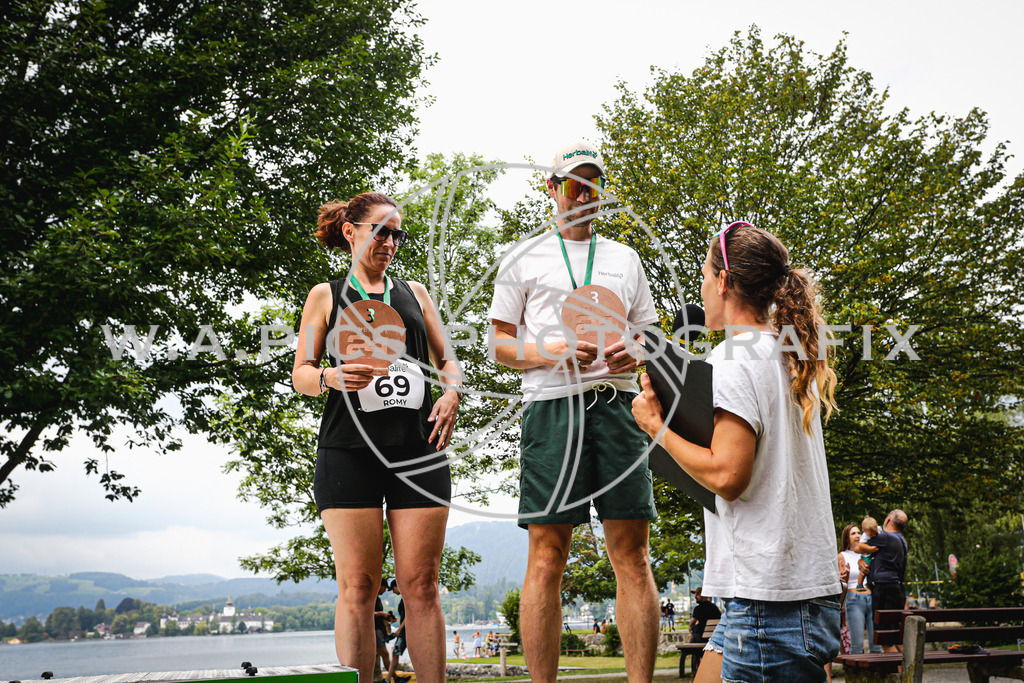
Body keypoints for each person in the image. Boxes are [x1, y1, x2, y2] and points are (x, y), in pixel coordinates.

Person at [631, 221, 842, 682]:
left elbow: (729, 476)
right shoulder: (791, 356)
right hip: (791, 593)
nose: (702, 289)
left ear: (723, 281)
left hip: (768, 603)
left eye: (705, 277)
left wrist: (656, 427)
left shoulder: (732, 359)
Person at [488, 140, 661, 683]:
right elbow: (499, 345)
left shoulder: (625, 258)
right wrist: (549, 351)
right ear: (552, 188)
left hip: (618, 407)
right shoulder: (523, 256)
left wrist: (637, 351)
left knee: (632, 554)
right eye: (573, 184)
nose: (585, 194)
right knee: (547, 555)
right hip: (552, 409)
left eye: (594, 184)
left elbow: (651, 335)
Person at [293, 193, 463, 683]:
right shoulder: (325, 295)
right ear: (351, 232)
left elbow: (448, 360)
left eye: (397, 234)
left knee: (421, 585)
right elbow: (301, 373)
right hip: (349, 451)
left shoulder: (415, 292)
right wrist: (329, 377)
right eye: (380, 231)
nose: (390, 242)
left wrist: (451, 392)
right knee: (358, 587)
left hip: (418, 449)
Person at [852, 510, 909, 653]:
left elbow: (858, 547)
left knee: (885, 639)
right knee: (896, 636)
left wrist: (862, 557)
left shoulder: (885, 537)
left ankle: (898, 668)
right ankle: (907, 666)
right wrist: (861, 562)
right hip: (897, 589)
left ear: (888, 521)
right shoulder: (901, 540)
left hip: (883, 590)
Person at [839, 524, 881, 655]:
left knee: (877, 645)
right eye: (853, 533)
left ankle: (878, 668)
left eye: (858, 533)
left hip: (871, 598)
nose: (857, 536)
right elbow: (841, 583)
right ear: (847, 538)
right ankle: (854, 669)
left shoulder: (866, 553)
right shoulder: (842, 556)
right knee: (857, 646)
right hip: (854, 599)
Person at [386, 580, 408, 683]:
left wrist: (399, 630)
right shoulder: (404, 599)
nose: (393, 592)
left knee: (395, 653)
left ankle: (388, 680)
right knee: (395, 653)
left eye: (393, 589)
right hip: (403, 631)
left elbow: (408, 616)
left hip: (406, 632)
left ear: (397, 586)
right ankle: (389, 679)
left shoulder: (407, 599)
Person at [374, 578, 393, 676]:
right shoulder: (372, 599)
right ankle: (394, 677)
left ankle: (392, 677)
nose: (385, 591)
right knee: (385, 654)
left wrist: (387, 617)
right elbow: (367, 613)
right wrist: (381, 614)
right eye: (384, 588)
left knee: (383, 654)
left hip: (379, 630)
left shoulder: (377, 599)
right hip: (375, 630)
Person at [857, 516, 879, 589]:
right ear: (864, 531)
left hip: (871, 554)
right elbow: (860, 545)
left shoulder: (879, 529)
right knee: (865, 568)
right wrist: (870, 548)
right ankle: (859, 584)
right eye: (871, 534)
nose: (873, 535)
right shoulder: (864, 536)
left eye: (875, 533)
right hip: (866, 555)